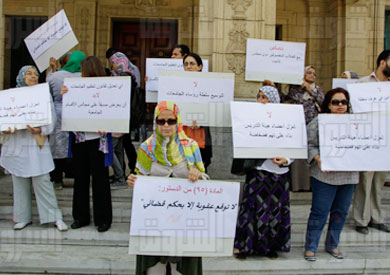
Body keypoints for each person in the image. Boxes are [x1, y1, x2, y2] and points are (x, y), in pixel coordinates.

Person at [127, 101, 206, 275]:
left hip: (184, 221)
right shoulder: (146, 148)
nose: (166, 125)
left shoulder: (191, 146)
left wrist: (197, 174)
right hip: (155, 221)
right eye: (161, 121)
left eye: (171, 121)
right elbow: (141, 182)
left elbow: (205, 181)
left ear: (178, 121)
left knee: (182, 268)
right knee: (155, 268)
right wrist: (134, 181)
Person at [0, 65, 68, 231]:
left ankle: (54, 217)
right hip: (16, 144)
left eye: (35, 74)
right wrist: (5, 128)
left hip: (36, 145)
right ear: (22, 76)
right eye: (29, 74)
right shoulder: (11, 96)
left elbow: (51, 119)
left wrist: (40, 129)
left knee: (43, 181)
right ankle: (22, 217)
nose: (33, 76)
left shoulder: (43, 96)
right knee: (20, 182)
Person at [233, 86, 292, 260]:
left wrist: (286, 159)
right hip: (258, 172)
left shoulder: (287, 120)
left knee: (274, 211)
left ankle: (269, 246)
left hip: (278, 175)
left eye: (265, 97)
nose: (261, 100)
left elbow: (295, 145)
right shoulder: (249, 118)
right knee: (251, 209)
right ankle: (243, 246)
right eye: (259, 96)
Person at [304, 88, 358, 261]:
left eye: (344, 102)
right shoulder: (318, 122)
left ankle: (332, 245)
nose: (340, 105)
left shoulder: (356, 122)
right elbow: (308, 144)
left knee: (341, 212)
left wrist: (369, 161)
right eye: (336, 102)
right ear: (328, 104)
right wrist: (317, 158)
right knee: (319, 212)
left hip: (349, 176)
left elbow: (366, 145)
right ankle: (311, 246)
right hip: (324, 176)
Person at [62, 56, 113, 232]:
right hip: (80, 140)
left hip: (99, 141)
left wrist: (108, 126)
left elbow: (115, 111)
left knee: (100, 180)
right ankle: (80, 217)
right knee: (80, 179)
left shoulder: (109, 88)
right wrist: (66, 95)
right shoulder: (75, 87)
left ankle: (103, 219)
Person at [352, 50, 390, 234]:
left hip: (386, 141)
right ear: (383, 63)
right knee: (365, 180)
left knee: (379, 181)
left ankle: (377, 218)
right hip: (367, 139)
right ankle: (361, 219)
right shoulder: (363, 83)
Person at [47, 51, 86, 190]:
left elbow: (48, 96)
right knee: (77, 146)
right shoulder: (84, 77)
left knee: (58, 146)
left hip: (57, 114)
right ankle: (76, 177)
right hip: (78, 114)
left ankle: (57, 179)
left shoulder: (54, 76)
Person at [285, 66, 324, 192]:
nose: (312, 75)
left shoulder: (317, 90)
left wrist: (310, 91)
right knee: (299, 156)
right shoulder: (295, 89)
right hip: (298, 125)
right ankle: (298, 184)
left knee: (311, 152)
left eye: (314, 73)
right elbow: (289, 99)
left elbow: (323, 102)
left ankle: (311, 184)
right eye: (309, 72)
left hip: (313, 126)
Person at [182, 53, 212, 170]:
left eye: (192, 64)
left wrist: (202, 121)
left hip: (199, 132)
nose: (188, 67)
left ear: (200, 67)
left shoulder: (209, 85)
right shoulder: (177, 84)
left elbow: (214, 107)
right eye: (186, 64)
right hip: (183, 130)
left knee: (200, 164)